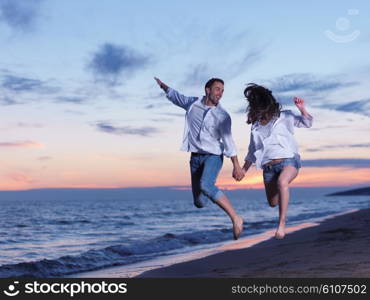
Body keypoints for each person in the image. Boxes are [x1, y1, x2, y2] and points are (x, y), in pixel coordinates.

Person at [154, 77, 244, 240]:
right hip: (195, 158)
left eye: (222, 90)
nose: (220, 93)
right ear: (207, 90)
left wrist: (236, 166)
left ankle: (235, 218)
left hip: (214, 156)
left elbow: (229, 141)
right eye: (217, 89)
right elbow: (176, 96)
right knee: (199, 202)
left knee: (206, 184)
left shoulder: (223, 116)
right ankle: (212, 193)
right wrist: (162, 86)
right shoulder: (192, 104)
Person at [240, 83, 313, 239]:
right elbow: (252, 151)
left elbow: (307, 123)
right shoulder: (255, 126)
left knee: (282, 182)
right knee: (273, 202)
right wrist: (244, 170)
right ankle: (284, 196)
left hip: (288, 161)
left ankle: (281, 225)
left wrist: (302, 109)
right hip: (268, 168)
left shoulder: (285, 116)